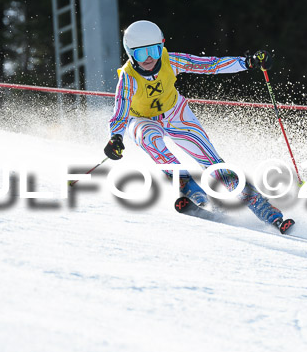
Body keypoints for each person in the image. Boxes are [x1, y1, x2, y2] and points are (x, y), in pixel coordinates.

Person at [104, 20, 293, 234]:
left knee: (214, 164)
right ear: (130, 53)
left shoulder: (171, 61)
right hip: (141, 119)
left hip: (175, 114)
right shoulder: (128, 78)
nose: (148, 58)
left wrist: (247, 62)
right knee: (149, 139)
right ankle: (189, 187)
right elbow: (120, 111)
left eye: (154, 50)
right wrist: (116, 138)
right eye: (140, 54)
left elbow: (209, 65)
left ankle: (264, 208)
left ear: (162, 46)